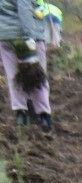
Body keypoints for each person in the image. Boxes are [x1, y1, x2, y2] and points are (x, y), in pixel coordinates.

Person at [1, 0, 50, 131]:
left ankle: (20, 115)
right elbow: (24, 7)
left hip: (5, 37)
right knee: (37, 75)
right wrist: (29, 37)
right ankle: (44, 116)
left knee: (13, 75)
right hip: (27, 35)